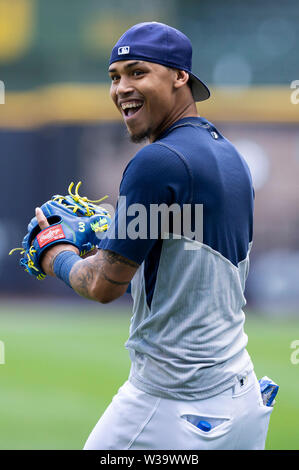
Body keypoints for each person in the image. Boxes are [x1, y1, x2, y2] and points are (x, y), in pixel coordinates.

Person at [35, 22, 273, 450]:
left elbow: (103, 285)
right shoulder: (229, 155)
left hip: (173, 404)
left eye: (137, 72)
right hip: (238, 396)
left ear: (180, 76)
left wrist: (56, 252)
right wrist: (114, 226)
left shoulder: (157, 161)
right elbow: (182, 235)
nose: (121, 88)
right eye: (114, 77)